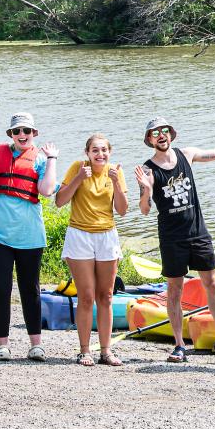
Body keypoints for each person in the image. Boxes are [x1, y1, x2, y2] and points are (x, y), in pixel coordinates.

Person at [133, 110, 215, 366]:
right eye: (155, 133)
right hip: (171, 238)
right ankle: (180, 345)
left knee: (212, 283)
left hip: (198, 233)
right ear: (149, 139)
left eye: (164, 131)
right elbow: (145, 209)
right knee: (174, 289)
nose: (161, 136)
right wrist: (146, 190)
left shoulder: (187, 154)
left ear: (170, 134)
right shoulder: (148, 170)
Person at [0, 113, 59, 361]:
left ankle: (36, 345)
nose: (22, 135)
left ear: (34, 133)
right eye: (17, 131)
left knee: (31, 289)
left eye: (26, 130)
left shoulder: (39, 159)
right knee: (1, 288)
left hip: (29, 236)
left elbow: (47, 190)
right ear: (11, 135)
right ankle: (2, 345)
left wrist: (52, 159)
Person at [56, 134, 129, 366]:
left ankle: (106, 351)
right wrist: (78, 178)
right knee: (86, 296)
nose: (100, 155)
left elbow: (122, 210)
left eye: (104, 150)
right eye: (95, 150)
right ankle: (85, 350)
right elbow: (60, 201)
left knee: (106, 296)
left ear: (110, 152)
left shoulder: (115, 171)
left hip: (107, 235)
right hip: (80, 235)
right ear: (87, 153)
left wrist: (117, 183)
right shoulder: (78, 168)